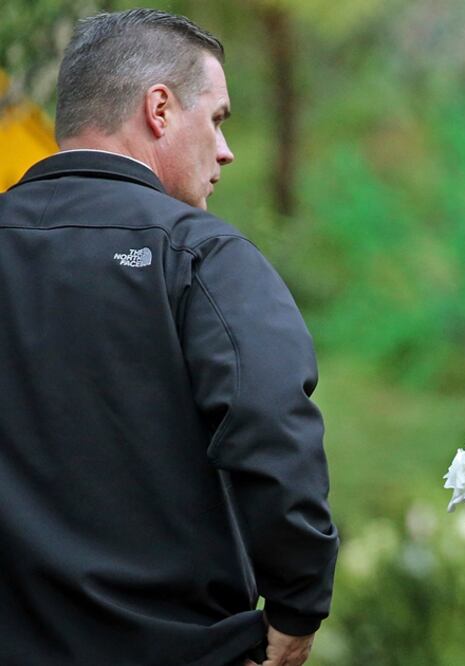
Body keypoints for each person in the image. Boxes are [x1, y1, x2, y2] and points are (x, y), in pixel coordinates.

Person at [0, 9, 337, 666]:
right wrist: (298, 604)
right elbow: (270, 427)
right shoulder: (202, 255)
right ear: (159, 108)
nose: (226, 149)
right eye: (216, 118)